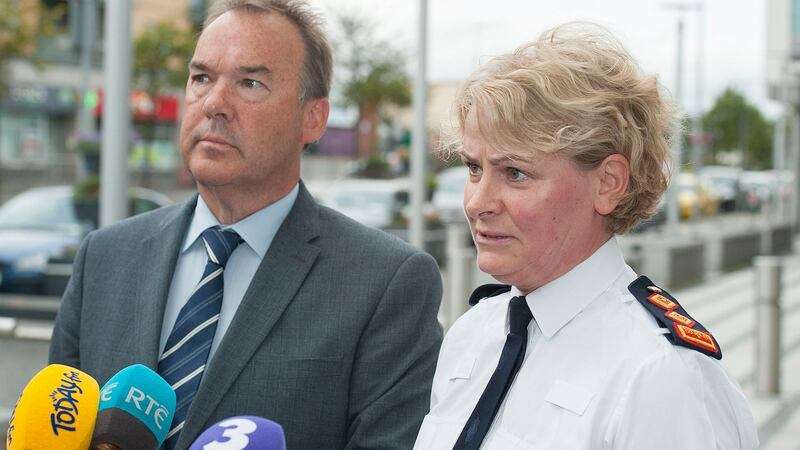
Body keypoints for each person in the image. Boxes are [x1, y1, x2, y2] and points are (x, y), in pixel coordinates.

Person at [49, 1, 443, 449]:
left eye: (250, 83)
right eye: (201, 78)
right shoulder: (105, 256)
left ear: (313, 118)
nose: (215, 103)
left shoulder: (386, 283)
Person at [414, 23, 758, 450]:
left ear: (608, 183)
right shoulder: (472, 336)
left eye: (515, 173)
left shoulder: (662, 375)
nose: (477, 202)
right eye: (473, 169)